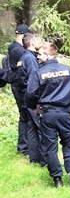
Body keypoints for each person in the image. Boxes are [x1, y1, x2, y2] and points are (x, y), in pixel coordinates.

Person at [25, 42, 70, 188]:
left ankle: (57, 179)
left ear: (47, 54)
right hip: (65, 113)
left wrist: (33, 107)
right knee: (69, 144)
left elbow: (31, 94)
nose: (38, 56)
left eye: (40, 54)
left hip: (48, 113)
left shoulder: (39, 73)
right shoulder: (68, 71)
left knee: (50, 146)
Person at [17, 33, 46, 165]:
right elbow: (35, 79)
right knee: (39, 126)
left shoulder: (23, 57)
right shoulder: (30, 59)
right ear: (33, 43)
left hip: (24, 96)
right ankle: (43, 158)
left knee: (31, 126)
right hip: (32, 97)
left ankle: (33, 157)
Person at [7, 24, 32, 155]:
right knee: (25, 116)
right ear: (22, 35)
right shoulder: (19, 51)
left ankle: (24, 146)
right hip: (20, 87)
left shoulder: (17, 49)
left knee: (25, 116)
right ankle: (24, 147)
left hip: (19, 85)